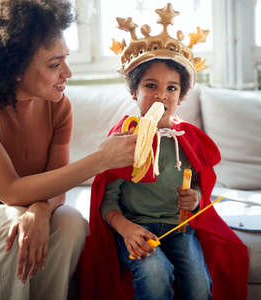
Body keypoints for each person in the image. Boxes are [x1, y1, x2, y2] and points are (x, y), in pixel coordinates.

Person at [0, 1, 136, 300]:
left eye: (65, 60)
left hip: (21, 211)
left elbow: (56, 186)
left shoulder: (58, 105)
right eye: (54, 64)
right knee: (11, 229)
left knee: (71, 222)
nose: (68, 73)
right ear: (14, 68)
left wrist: (39, 209)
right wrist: (101, 159)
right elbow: (10, 192)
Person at [77, 3, 249, 300]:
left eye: (171, 88)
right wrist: (126, 229)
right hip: (136, 228)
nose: (161, 95)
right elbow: (106, 202)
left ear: (181, 96)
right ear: (134, 92)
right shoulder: (124, 139)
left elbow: (198, 189)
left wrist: (194, 199)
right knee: (155, 273)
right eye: (150, 86)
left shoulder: (188, 140)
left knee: (198, 283)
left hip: (178, 228)